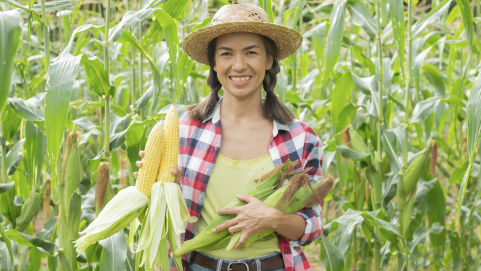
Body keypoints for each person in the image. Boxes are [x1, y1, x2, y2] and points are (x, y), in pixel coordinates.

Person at [133, 3, 324, 271]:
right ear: (213, 62)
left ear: (269, 60)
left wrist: (271, 218)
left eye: (251, 52)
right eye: (226, 54)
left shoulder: (301, 138)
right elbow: (157, 220)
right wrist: (157, 189)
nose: (238, 65)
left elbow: (312, 226)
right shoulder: (184, 131)